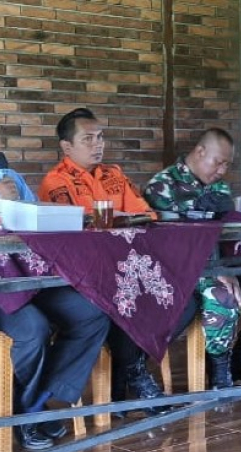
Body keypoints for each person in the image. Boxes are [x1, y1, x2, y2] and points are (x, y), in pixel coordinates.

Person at [0, 92, 110, 450]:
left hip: (27, 276)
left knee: (93, 312)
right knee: (33, 328)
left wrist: (25, 206)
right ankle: (28, 413)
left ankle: (35, 404)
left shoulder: (10, 176)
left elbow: (36, 227)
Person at [38, 107, 197, 408]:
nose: (97, 144)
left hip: (129, 266)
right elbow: (77, 227)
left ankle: (130, 366)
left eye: (100, 137)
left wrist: (114, 219)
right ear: (67, 146)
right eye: (88, 138)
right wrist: (118, 218)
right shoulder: (56, 182)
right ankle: (133, 374)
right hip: (86, 273)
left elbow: (145, 214)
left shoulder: (114, 174)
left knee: (183, 300)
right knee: (125, 303)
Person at [144, 127, 241, 387]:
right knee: (223, 296)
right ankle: (220, 371)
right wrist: (218, 269)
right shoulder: (163, 186)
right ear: (200, 151)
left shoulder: (219, 187)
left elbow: (227, 232)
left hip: (229, 264)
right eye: (218, 162)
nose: (221, 170)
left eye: (227, 165)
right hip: (186, 269)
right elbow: (170, 242)